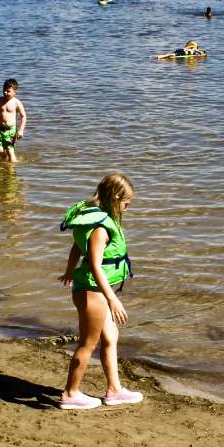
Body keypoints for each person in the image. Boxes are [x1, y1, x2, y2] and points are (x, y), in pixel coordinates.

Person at [57, 173, 141, 410]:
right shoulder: (100, 228)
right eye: (127, 204)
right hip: (93, 291)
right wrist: (112, 298)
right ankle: (70, 394)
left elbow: (75, 247)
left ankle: (114, 390)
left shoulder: (93, 217)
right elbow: (95, 264)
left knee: (111, 337)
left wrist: (69, 271)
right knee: (87, 344)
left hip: (92, 289)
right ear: (116, 198)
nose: (127, 208)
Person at [0, 78, 27, 162]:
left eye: (8, 91)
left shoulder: (16, 102)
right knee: (0, 150)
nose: (5, 92)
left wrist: (21, 130)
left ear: (15, 91)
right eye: (4, 90)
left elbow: (23, 116)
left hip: (11, 130)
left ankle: (13, 168)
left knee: (9, 150)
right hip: (0, 129)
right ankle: (6, 164)